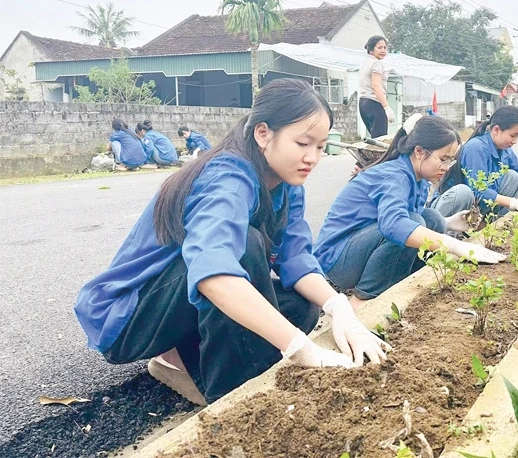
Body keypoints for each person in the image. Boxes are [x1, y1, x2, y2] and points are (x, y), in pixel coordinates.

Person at [75, 79, 390, 407]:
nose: (312, 157)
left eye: (321, 146)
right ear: (263, 134)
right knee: (245, 246)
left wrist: (340, 310)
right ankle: (238, 402)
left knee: (303, 303)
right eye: (302, 143)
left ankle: (181, 360)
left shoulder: (286, 181)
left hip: (180, 297)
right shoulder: (227, 177)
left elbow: (296, 259)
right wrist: (302, 349)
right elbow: (214, 274)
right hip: (131, 316)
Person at [314, 113, 506, 304]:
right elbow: (395, 225)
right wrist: (456, 245)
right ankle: (363, 300)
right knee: (413, 223)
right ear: (419, 151)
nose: (447, 167)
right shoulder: (394, 175)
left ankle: (400, 283)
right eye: (443, 159)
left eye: (451, 161)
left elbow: (407, 217)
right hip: (338, 259)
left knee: (433, 219)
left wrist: (449, 224)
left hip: (360, 247)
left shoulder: (418, 178)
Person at [432, 106, 518, 219]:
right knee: (464, 192)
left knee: (514, 177)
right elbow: (477, 191)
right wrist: (514, 203)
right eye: (513, 135)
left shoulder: (505, 150)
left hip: (477, 206)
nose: (515, 141)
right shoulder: (476, 148)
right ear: (496, 130)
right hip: (452, 205)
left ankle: (486, 223)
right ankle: (451, 229)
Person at [358, 35, 395, 138]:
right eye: (379, 48)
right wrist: (387, 108)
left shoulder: (366, 62)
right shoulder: (376, 64)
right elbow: (376, 86)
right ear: (371, 50)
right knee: (380, 141)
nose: (383, 50)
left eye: (384, 47)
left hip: (363, 103)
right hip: (374, 103)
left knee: (375, 139)